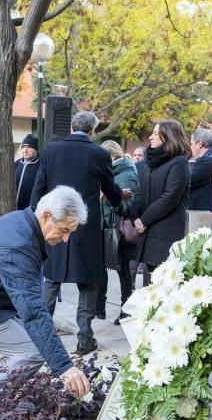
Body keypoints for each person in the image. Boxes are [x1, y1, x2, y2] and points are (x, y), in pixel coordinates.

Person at [0, 186, 91, 397]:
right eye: (64, 230)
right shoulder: (19, 247)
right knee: (31, 352)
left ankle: (0, 404)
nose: (66, 239)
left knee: (34, 343)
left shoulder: (23, 222)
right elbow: (33, 312)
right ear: (46, 216)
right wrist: (65, 367)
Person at [30, 111, 128, 356]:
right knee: (88, 282)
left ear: (72, 126)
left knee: (51, 279)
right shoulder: (99, 153)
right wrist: (119, 198)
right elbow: (110, 189)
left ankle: (40, 336)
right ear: (93, 130)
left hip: (54, 223)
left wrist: (36, 219)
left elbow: (38, 188)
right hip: (85, 226)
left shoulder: (51, 151)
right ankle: (85, 339)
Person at [132, 121, 191, 282]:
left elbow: (170, 197)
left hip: (166, 235)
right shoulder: (149, 164)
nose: (151, 137)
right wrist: (135, 217)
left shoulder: (179, 162)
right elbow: (139, 192)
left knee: (162, 289)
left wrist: (144, 220)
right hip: (147, 233)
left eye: (156, 133)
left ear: (169, 136)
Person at [96, 140, 138, 324]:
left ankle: (126, 310)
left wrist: (111, 196)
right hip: (104, 226)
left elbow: (127, 206)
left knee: (123, 270)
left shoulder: (127, 173)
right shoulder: (108, 172)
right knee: (100, 268)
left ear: (112, 156)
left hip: (118, 228)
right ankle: (99, 309)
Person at [188, 127, 212, 212]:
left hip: (202, 214)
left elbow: (187, 181)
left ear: (200, 144)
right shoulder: (208, 159)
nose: (190, 147)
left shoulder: (208, 161)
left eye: (191, 144)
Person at [14, 134, 41, 211]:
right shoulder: (17, 164)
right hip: (15, 209)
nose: (25, 150)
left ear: (36, 149)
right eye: (23, 147)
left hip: (31, 210)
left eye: (29, 147)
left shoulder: (41, 165)